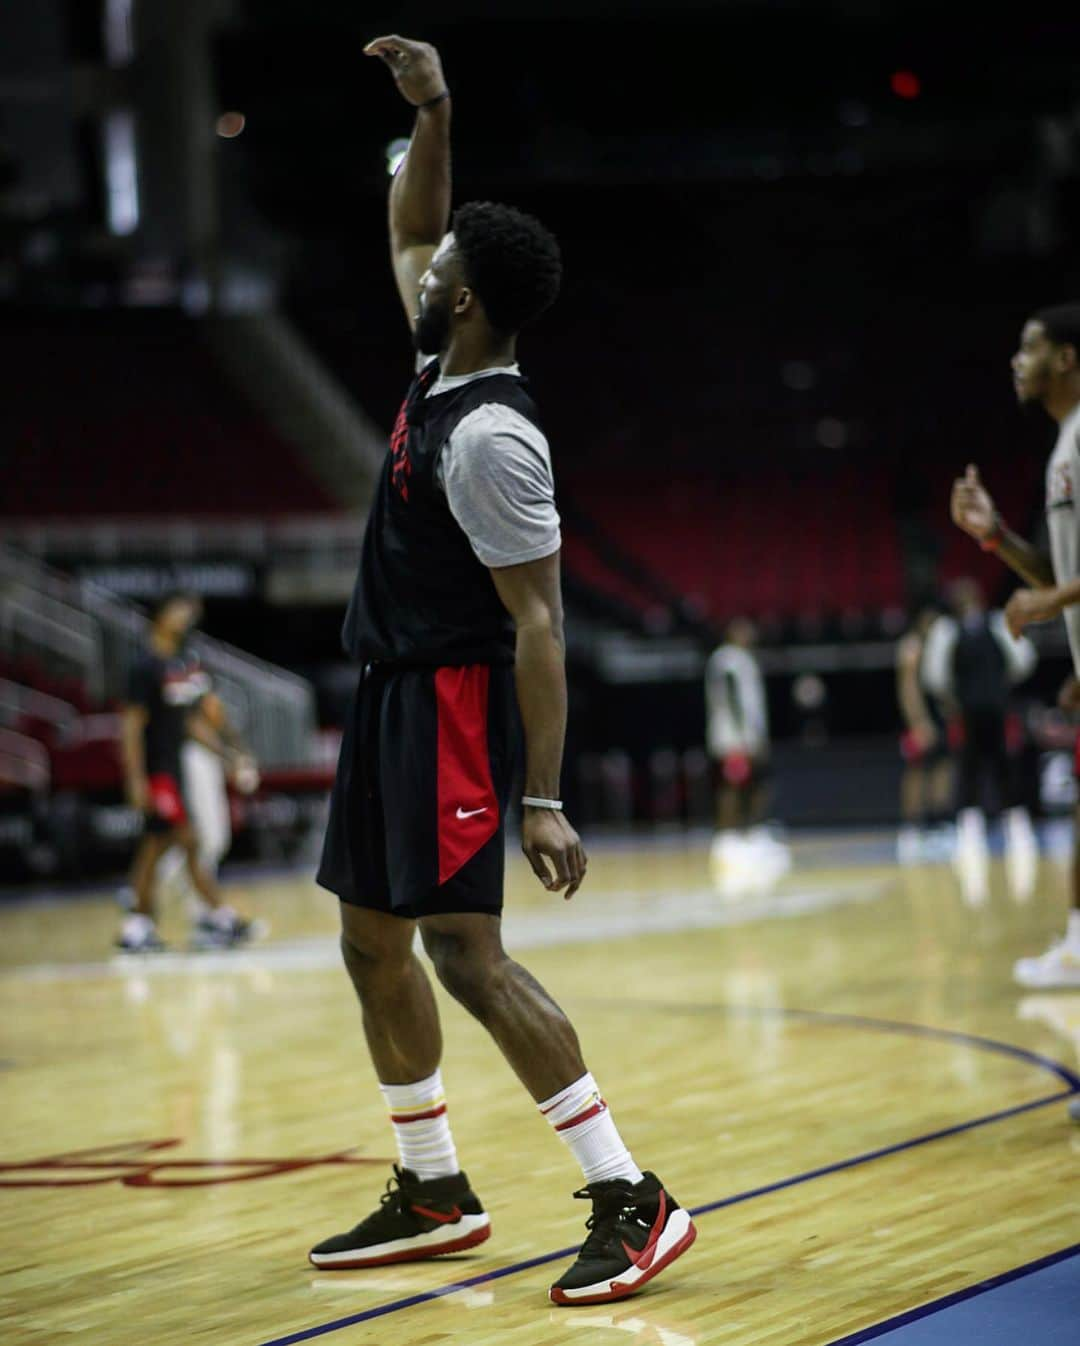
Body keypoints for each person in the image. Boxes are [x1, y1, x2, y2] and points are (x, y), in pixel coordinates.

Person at [310, 35, 696, 1304]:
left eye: (442, 272)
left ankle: (631, 1193)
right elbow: (419, 216)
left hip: (455, 703)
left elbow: (541, 622)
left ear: (465, 299)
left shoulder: (489, 439)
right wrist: (434, 107)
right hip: (387, 689)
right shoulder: (438, 366)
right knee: (373, 942)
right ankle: (432, 1185)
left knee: (465, 953)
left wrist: (543, 793)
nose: (419, 268)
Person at [951, 303, 1080, 1003]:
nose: (1015, 360)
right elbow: (1062, 575)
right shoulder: (1064, 446)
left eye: (1030, 347)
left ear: (1066, 358)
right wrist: (996, 536)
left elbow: (1059, 591)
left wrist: (1048, 605)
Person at [118, 593, 258, 953]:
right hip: (157, 771)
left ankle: (150, 923)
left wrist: (226, 754)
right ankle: (151, 923)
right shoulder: (143, 667)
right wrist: (135, 779)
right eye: (179, 608)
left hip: (174, 769)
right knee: (173, 842)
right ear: (160, 615)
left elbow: (189, 724)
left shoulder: (176, 665)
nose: (187, 616)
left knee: (168, 844)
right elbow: (131, 727)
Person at [921, 578, 1038, 903]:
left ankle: (1017, 829)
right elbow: (935, 675)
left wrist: (998, 687)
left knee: (1005, 767)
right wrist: (958, 697)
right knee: (968, 770)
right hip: (967, 713)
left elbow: (1024, 658)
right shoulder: (947, 631)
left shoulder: (998, 623)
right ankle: (969, 835)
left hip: (997, 710)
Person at [157, 690, 261, 927]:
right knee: (205, 840)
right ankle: (154, 890)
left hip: (205, 761)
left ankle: (200, 912)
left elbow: (223, 728)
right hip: (193, 761)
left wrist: (236, 757)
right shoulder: (186, 705)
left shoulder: (199, 686)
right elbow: (191, 726)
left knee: (212, 842)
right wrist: (230, 758)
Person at [705, 619, 788, 892]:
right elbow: (731, 699)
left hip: (748, 736)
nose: (750, 631)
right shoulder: (727, 659)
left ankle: (749, 833)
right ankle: (727, 838)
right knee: (733, 785)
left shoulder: (744, 659)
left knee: (754, 785)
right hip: (735, 739)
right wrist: (742, 738)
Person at [895, 606, 954, 865]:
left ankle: (938, 824)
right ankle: (911, 830)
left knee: (942, 768)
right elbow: (907, 689)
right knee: (916, 771)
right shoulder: (912, 647)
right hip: (920, 719)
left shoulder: (939, 647)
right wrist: (918, 722)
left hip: (938, 716)